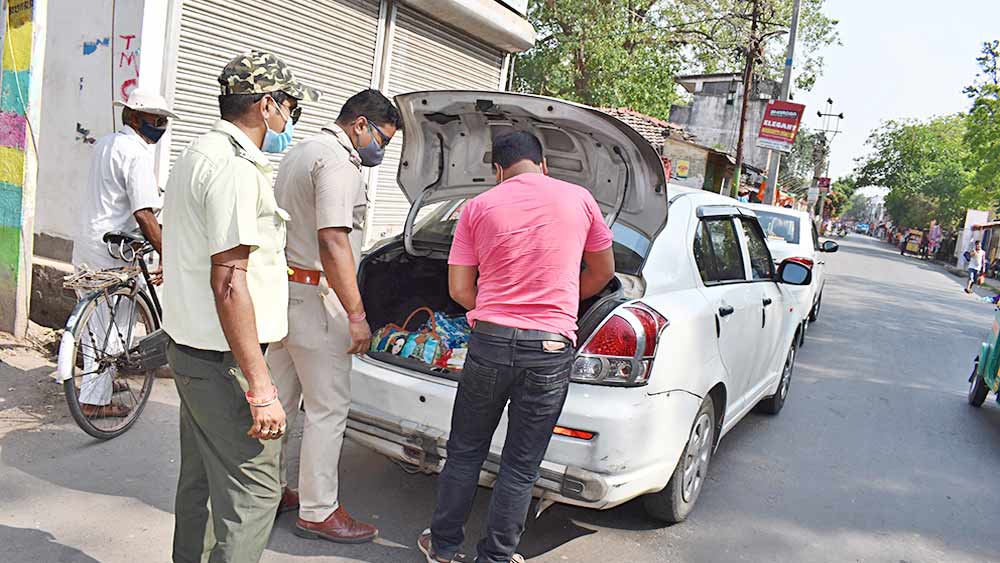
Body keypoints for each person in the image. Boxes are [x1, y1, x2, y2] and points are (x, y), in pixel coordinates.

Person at [417, 131, 616, 563]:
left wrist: (494, 307)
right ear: (543, 165)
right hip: (549, 347)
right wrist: (561, 303)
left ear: (498, 170)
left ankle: (445, 547)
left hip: (489, 342)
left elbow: (458, 287)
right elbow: (603, 271)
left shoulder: (479, 206)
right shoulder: (580, 198)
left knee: (466, 450)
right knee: (521, 464)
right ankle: (497, 556)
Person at [159, 50, 319, 563]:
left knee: (202, 483)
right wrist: (262, 386)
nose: (290, 121)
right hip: (224, 361)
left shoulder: (198, 152)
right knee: (253, 493)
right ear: (267, 104)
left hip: (192, 349)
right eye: (291, 109)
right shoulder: (233, 167)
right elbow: (229, 281)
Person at [266, 89, 401, 543]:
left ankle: (268, 492)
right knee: (327, 408)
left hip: (283, 292)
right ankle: (319, 510)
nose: (380, 149)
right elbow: (333, 242)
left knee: (279, 403)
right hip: (320, 299)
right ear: (359, 124)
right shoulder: (339, 164)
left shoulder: (299, 150)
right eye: (381, 138)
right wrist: (357, 314)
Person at [72, 89, 174, 418]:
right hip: (112, 247)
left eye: (163, 121)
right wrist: (167, 253)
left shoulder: (106, 143)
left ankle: (97, 381)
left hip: (89, 240)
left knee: (97, 322)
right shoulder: (136, 153)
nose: (159, 126)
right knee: (111, 325)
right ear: (132, 117)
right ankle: (94, 401)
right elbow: (145, 214)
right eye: (154, 120)